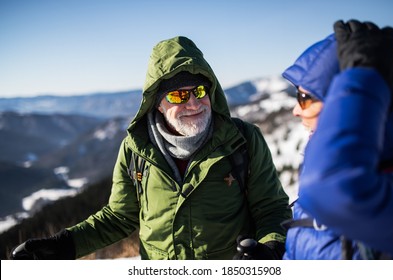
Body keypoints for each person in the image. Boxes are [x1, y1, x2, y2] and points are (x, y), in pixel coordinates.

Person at [11, 36, 292, 260]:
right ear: (156, 102)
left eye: (200, 91)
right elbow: (119, 217)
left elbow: (271, 208)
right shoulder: (136, 149)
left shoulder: (243, 140)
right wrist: (64, 246)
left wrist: (270, 248)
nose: (193, 103)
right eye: (179, 95)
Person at [281, 19, 393, 259]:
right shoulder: (327, 170)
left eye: (304, 97)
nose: (296, 110)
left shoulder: (347, 182)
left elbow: (333, 188)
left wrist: (363, 76)